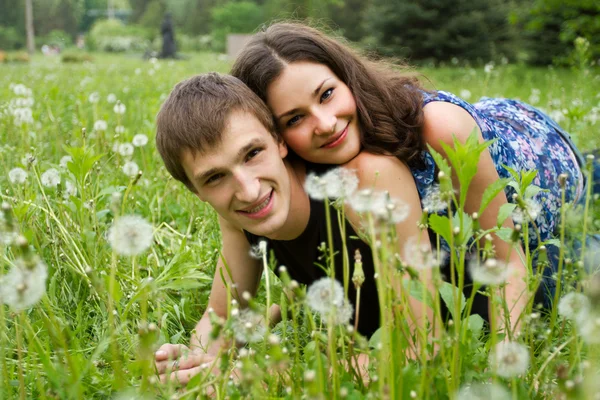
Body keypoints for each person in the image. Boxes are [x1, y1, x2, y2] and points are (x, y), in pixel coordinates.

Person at [230, 22, 597, 322]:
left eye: (326, 94)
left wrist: (502, 366)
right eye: (295, 118)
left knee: (562, 260)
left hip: (540, 163)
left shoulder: (437, 127)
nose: (325, 124)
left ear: (347, 78)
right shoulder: (294, 169)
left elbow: (506, 259)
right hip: (460, 216)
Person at [154, 73, 392, 384]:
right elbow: (224, 318)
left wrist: (258, 374)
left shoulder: (360, 189)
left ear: (279, 140)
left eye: (252, 154)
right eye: (215, 178)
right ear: (196, 192)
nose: (249, 191)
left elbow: (419, 343)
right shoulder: (237, 219)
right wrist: (196, 360)